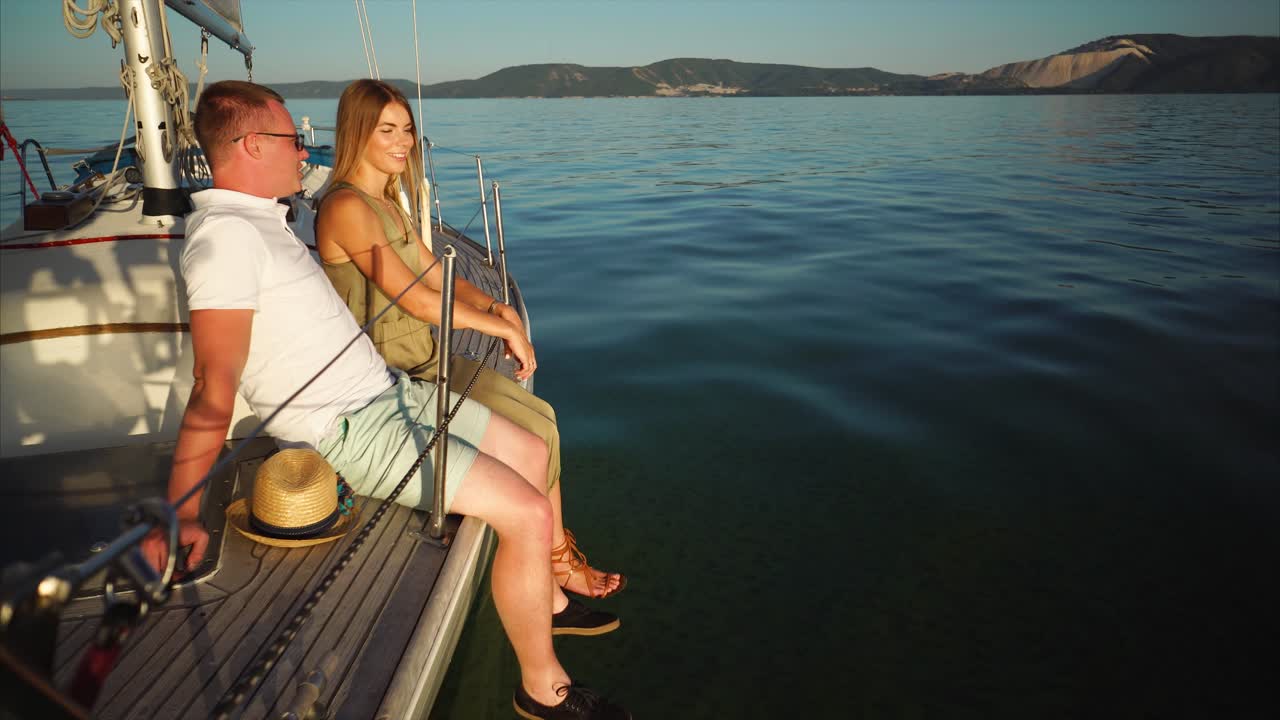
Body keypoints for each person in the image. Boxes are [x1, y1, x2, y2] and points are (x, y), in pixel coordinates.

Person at [141, 80, 629, 720]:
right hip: (347, 426)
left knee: (533, 451)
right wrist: (182, 512)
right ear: (253, 145)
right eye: (292, 140)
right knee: (529, 513)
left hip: (388, 391)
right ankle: (542, 689)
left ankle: (545, 598)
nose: (304, 151)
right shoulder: (225, 240)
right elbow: (213, 383)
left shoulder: (261, 220)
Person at [314, 79, 624, 599]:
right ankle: (558, 564)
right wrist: (500, 327)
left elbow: (436, 273)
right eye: (387, 130)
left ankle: (556, 554)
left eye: (407, 129)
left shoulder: (385, 201)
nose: (403, 141)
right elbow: (416, 299)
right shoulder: (346, 207)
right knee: (535, 433)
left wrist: (497, 306)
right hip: (392, 375)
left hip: (425, 357)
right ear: (356, 133)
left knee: (545, 421)